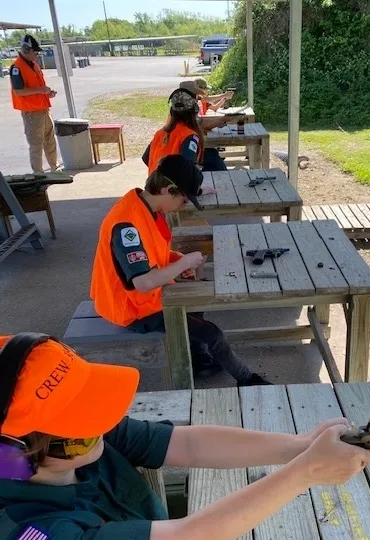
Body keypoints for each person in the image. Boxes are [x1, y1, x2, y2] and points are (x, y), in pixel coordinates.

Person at [0, 332, 370, 540]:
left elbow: (185, 444)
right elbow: (193, 536)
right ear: (15, 455)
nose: (100, 426)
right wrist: (305, 471)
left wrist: (299, 447)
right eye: (82, 427)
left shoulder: (64, 448)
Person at [90, 154, 269, 385]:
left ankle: (198, 359)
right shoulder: (127, 225)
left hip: (145, 297)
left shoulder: (146, 208)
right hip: (130, 308)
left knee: (197, 302)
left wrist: (178, 259)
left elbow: (152, 253)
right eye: (183, 199)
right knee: (212, 334)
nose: (183, 205)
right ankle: (247, 379)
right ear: (167, 190)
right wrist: (182, 264)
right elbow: (143, 281)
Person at [142, 88, 227, 175]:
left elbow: (145, 158)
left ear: (172, 112)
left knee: (211, 156)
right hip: (175, 187)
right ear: (194, 111)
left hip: (154, 186)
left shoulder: (160, 133)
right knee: (214, 160)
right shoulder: (189, 136)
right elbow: (189, 168)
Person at [9, 35, 58, 173]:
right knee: (36, 144)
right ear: (26, 50)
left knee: (50, 140)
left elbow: (37, 86)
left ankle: (54, 168)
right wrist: (41, 90)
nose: (36, 55)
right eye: (34, 52)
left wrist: (47, 93)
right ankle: (38, 173)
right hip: (31, 112)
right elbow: (19, 91)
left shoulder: (34, 65)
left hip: (43, 108)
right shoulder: (16, 67)